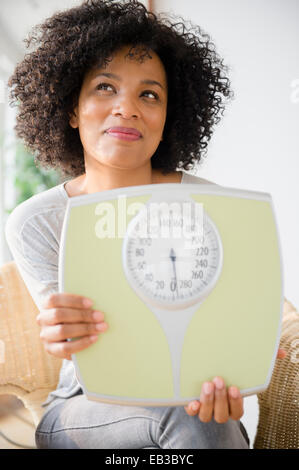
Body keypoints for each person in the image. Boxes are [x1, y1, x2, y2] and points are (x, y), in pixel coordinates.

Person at [5, 0, 285, 449]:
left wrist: (241, 355)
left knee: (206, 421)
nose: (127, 108)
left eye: (149, 94)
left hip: (192, 395)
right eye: (103, 87)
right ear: (71, 110)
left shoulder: (209, 206)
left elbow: (226, 319)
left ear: (167, 119)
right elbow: (79, 347)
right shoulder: (37, 221)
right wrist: (62, 331)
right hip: (83, 401)